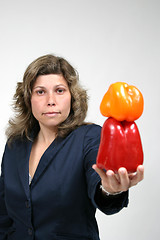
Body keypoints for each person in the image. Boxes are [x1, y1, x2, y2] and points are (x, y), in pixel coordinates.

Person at [0, 54, 144, 240]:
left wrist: (110, 190)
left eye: (59, 90)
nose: (50, 100)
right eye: (40, 92)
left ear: (72, 97)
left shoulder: (89, 137)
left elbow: (99, 184)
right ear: (28, 99)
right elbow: (3, 214)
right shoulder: (15, 145)